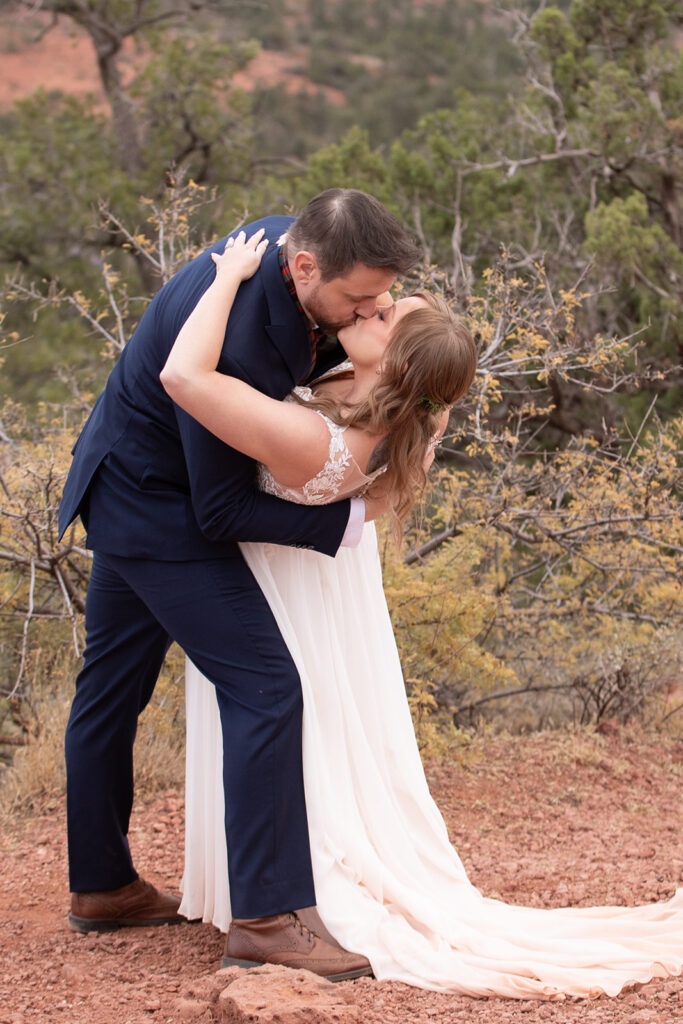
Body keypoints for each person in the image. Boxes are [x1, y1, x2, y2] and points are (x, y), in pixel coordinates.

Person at [163, 232, 683, 1000]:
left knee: (286, 714)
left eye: (383, 315)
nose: (371, 307)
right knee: (325, 721)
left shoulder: (319, 434)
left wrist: (231, 275)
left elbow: (184, 375)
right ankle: (263, 881)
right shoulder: (408, 413)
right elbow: (381, 491)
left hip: (287, 582)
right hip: (332, 586)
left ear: (392, 361)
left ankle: (288, 888)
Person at [58, 188, 421, 981]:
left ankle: (103, 887)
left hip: (123, 483)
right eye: (359, 298)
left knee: (111, 692)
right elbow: (221, 508)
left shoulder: (284, 251)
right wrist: (342, 526)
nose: (371, 309)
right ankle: (264, 920)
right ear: (303, 265)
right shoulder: (240, 342)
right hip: (158, 510)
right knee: (266, 689)